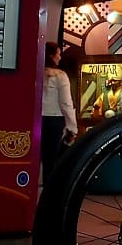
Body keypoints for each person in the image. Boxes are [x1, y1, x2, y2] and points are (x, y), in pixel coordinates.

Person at [41, 42, 77, 181]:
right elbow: (66, 104)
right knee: (52, 161)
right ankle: (48, 196)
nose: (60, 57)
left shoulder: (36, 73)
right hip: (54, 121)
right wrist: (72, 127)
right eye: (58, 54)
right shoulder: (60, 76)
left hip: (36, 120)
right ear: (52, 56)